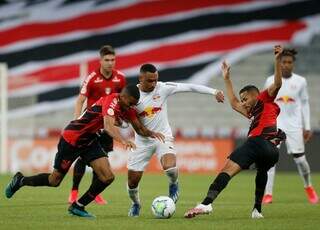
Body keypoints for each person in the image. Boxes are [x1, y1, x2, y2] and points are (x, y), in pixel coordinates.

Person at [5, 85, 163, 218]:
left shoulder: (127, 107)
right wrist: (123, 140)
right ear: (122, 96)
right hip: (71, 139)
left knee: (107, 177)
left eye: (133, 105)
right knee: (54, 181)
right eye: (130, 103)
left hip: (89, 141)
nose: (131, 107)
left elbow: (140, 128)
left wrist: (152, 133)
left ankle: (78, 206)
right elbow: (108, 127)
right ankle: (20, 181)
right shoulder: (111, 100)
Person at [184, 45, 286, 219]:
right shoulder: (254, 112)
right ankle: (257, 210)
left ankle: (206, 204)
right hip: (272, 151)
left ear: (255, 95)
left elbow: (277, 84)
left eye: (246, 99)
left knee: (227, 170)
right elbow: (233, 103)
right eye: (243, 100)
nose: (244, 103)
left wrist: (277, 61)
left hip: (258, 143)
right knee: (262, 173)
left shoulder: (264, 98)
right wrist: (227, 79)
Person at [127, 63, 225, 217]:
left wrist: (214, 91)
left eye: (155, 80)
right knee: (132, 181)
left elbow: (189, 87)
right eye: (150, 81)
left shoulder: (162, 88)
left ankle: (174, 185)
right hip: (142, 142)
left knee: (170, 167)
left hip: (162, 137)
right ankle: (136, 204)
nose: (154, 84)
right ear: (141, 78)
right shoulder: (131, 95)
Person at [69, 45, 127, 205]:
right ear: (101, 61)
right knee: (82, 158)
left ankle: (94, 193)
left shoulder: (121, 78)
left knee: (102, 158)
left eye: (113, 60)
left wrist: (120, 118)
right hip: (91, 125)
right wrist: (76, 121)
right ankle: (74, 192)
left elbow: (123, 100)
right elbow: (80, 100)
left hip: (108, 125)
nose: (110, 63)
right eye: (107, 60)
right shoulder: (92, 78)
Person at [262, 48, 318, 204]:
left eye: (289, 62)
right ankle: (268, 194)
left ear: (293, 64)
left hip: (294, 126)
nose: (286, 65)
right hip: (275, 125)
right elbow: (266, 103)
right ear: (279, 63)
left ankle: (308, 187)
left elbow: (305, 104)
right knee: (270, 159)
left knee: (300, 160)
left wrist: (307, 126)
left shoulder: (301, 81)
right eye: (283, 62)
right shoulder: (270, 80)